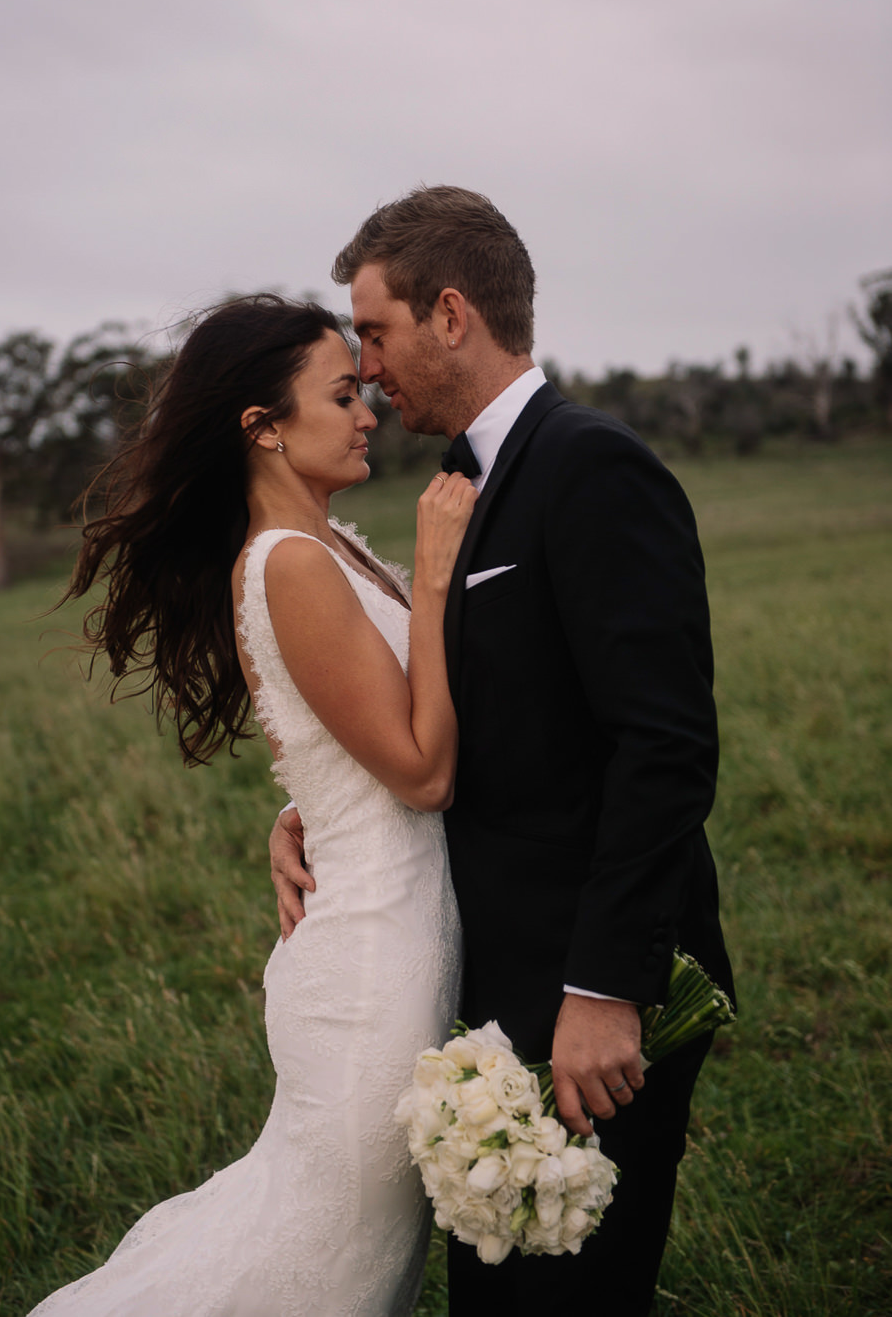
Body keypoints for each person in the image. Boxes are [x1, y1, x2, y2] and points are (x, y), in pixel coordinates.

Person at [271, 187, 735, 1314]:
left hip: (589, 990)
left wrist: (601, 989)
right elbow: (475, 707)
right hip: (494, 977)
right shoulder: (463, 486)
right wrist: (316, 810)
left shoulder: (589, 467)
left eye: (373, 333)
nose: (366, 367)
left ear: (448, 313)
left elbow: (663, 744)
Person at [28, 293, 476, 1317]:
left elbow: (352, 741)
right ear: (263, 427)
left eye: (362, 393)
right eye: (340, 395)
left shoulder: (331, 544)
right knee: (327, 1270)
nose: (366, 411)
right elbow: (421, 772)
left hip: (390, 930)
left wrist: (301, 810)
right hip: (367, 970)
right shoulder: (289, 565)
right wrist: (441, 584)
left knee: (349, 1259)